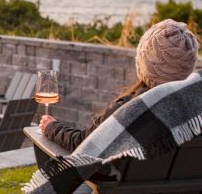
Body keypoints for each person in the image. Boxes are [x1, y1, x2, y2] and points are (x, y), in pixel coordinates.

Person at [39, 19, 199, 152]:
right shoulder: (195, 113)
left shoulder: (130, 110)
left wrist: (52, 127)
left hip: (119, 189)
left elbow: (83, 145)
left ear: (144, 63)